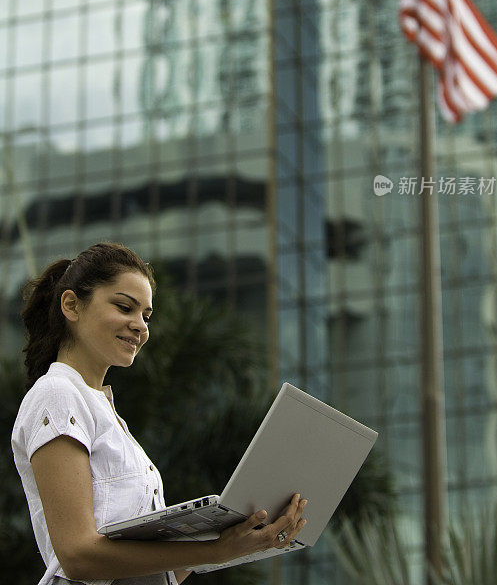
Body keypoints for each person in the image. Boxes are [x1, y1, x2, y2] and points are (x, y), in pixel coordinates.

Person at [11, 241, 307, 585]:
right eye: (125, 307)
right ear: (72, 305)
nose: (140, 326)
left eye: (145, 316)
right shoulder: (58, 393)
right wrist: (216, 550)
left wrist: (240, 542)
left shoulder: (104, 411)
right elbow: (78, 556)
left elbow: (153, 573)